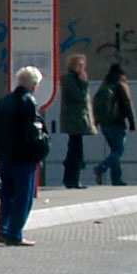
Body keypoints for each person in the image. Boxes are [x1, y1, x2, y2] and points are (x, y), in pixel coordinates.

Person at [0, 65, 51, 246]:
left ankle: (3, 230)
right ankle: (15, 233)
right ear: (33, 84)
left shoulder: (4, 101)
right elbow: (32, 132)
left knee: (7, 195)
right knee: (23, 197)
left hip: (5, 155)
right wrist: (41, 145)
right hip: (24, 157)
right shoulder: (28, 101)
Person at [60, 54, 93, 189]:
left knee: (75, 150)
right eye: (79, 65)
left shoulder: (75, 79)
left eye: (83, 65)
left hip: (78, 118)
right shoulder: (70, 79)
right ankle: (72, 180)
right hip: (73, 120)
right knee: (75, 151)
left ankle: (71, 179)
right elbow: (79, 97)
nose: (82, 68)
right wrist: (84, 83)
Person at [99, 61, 134, 187]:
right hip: (117, 123)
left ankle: (116, 179)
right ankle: (101, 167)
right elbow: (127, 105)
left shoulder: (105, 84)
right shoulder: (121, 85)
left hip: (105, 124)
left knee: (114, 151)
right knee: (118, 150)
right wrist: (132, 123)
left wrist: (97, 121)